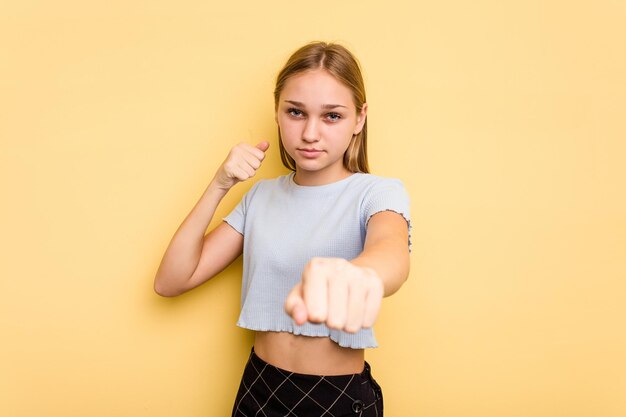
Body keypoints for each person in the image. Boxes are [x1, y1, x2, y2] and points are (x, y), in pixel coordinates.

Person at [154, 41, 411, 417]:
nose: (310, 133)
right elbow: (171, 281)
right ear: (277, 112)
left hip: (335, 398)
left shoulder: (376, 192)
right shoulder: (260, 196)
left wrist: (358, 275)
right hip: (259, 388)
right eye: (296, 112)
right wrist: (220, 184)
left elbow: (391, 251)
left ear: (359, 118)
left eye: (332, 116)